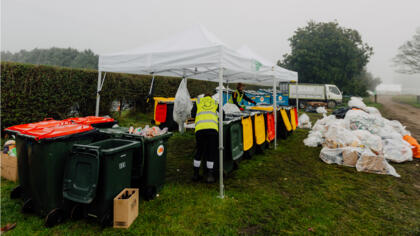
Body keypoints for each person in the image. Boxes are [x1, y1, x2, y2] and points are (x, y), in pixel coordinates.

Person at [193, 93, 219, 183]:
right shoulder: (215, 102)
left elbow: (193, 114)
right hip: (212, 129)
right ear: (211, 97)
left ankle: (196, 174)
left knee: (199, 151)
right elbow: (223, 114)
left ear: (204, 97)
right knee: (210, 151)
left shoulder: (198, 101)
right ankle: (210, 175)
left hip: (200, 129)